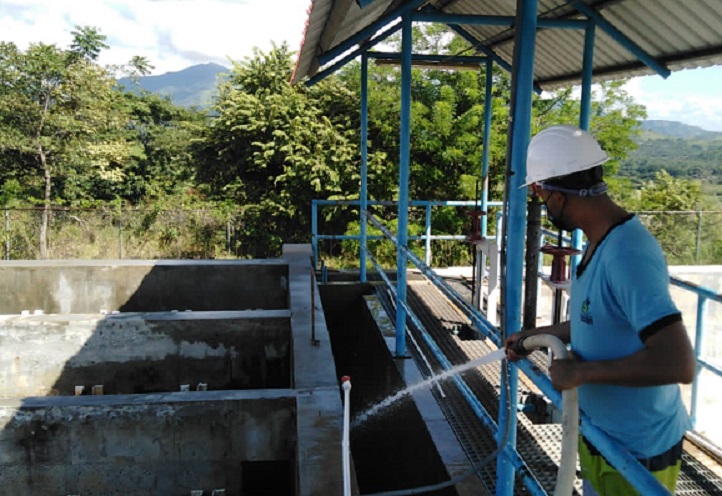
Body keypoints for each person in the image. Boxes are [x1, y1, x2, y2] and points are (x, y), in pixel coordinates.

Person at [504, 125, 696, 495]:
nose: (543, 204)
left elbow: (678, 363)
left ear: (557, 196)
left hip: (637, 453)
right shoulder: (600, 242)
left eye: (540, 194)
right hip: (604, 436)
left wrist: (583, 372)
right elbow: (597, 318)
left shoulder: (627, 254)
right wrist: (536, 336)